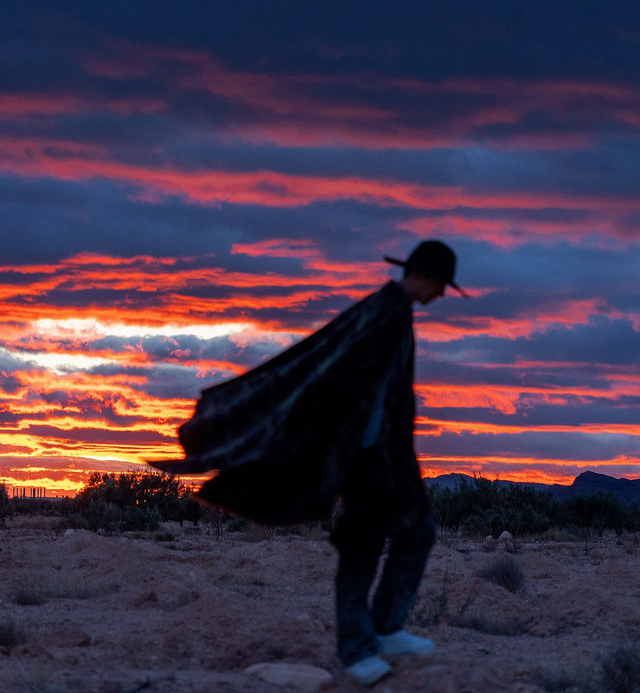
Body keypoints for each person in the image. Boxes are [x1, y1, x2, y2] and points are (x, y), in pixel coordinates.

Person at [151, 239, 468, 686]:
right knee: (363, 545)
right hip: (363, 456)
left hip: (387, 455)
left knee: (418, 530)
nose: (441, 295)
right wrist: (347, 454)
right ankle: (359, 649)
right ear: (421, 276)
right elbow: (340, 385)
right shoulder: (383, 313)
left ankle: (386, 628)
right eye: (440, 285)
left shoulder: (392, 313)